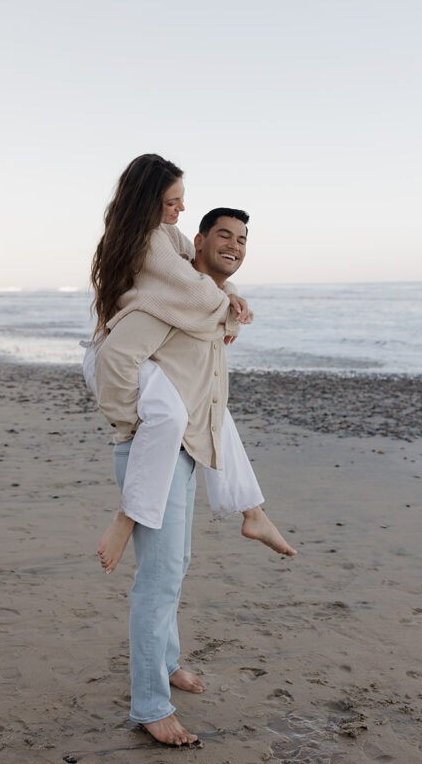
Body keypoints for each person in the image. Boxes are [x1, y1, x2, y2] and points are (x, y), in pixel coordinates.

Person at [95, 207, 295, 745]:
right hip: (151, 451)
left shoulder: (203, 305)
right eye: (223, 236)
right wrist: (126, 419)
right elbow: (111, 355)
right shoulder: (167, 302)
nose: (235, 245)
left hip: (182, 450)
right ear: (197, 243)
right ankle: (149, 706)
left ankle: (166, 664)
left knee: (174, 567)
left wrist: (228, 309)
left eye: (243, 239)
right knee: (157, 584)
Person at [88, 154, 294, 573]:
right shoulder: (148, 239)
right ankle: (126, 517)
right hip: (117, 348)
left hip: (128, 347)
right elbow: (196, 290)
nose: (180, 210)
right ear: (147, 201)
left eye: (182, 200)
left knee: (212, 409)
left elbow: (203, 272)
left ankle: (252, 511)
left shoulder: (167, 234)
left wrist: (230, 290)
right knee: (168, 414)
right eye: (171, 202)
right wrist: (127, 422)